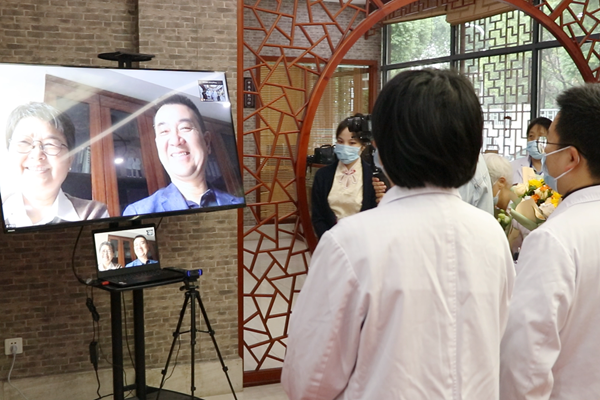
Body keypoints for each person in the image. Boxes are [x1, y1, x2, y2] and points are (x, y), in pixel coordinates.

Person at [282, 69, 515, 400]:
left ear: (384, 147)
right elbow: (502, 342)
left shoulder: (351, 244)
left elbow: (309, 380)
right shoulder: (490, 234)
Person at [500, 84, 600, 399]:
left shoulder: (555, 239)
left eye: (549, 143)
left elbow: (524, 361)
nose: (543, 152)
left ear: (571, 157)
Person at [122, 94, 243, 215]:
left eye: (185, 128)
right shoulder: (138, 212)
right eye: (164, 131)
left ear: (206, 142)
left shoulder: (241, 205)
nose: (175, 141)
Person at [2, 102, 109, 228]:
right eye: (24, 142)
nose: (37, 154)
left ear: (70, 159)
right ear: (9, 154)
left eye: (50, 144)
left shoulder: (93, 214)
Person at [310, 116, 377, 238]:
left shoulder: (372, 175)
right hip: (331, 240)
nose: (345, 147)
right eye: (340, 142)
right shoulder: (323, 175)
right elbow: (318, 216)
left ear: (362, 146)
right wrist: (329, 240)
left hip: (363, 240)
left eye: (352, 143)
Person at [511, 117, 552, 184]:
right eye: (531, 136)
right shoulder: (512, 167)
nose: (534, 141)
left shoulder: (559, 170)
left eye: (540, 137)